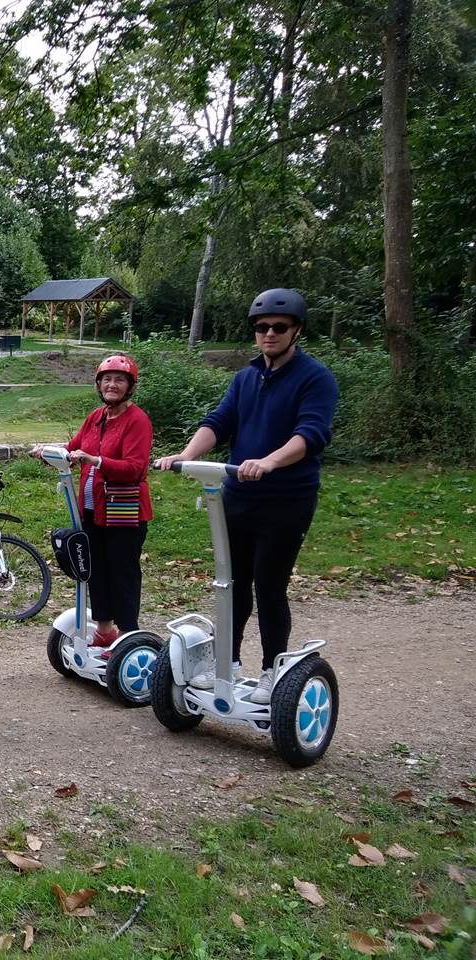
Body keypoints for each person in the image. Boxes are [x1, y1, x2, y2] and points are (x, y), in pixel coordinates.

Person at [156, 288, 338, 702]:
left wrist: (270, 461)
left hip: (286, 500)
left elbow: (311, 433)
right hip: (238, 495)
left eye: (278, 327)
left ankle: (274, 671)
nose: (269, 334)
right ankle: (229, 664)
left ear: (296, 331)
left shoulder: (315, 378)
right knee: (231, 584)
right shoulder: (246, 377)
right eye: (261, 328)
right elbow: (219, 422)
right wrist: (185, 455)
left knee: (269, 586)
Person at [33, 355, 154, 648]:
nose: (112, 385)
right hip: (91, 510)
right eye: (107, 379)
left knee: (122, 573)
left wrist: (96, 461)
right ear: (99, 384)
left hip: (124, 511)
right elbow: (72, 449)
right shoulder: (96, 417)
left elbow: (135, 467)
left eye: (119, 380)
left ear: (130, 386)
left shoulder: (137, 420)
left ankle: (127, 637)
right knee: (95, 569)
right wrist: (47, 451)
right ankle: (103, 630)